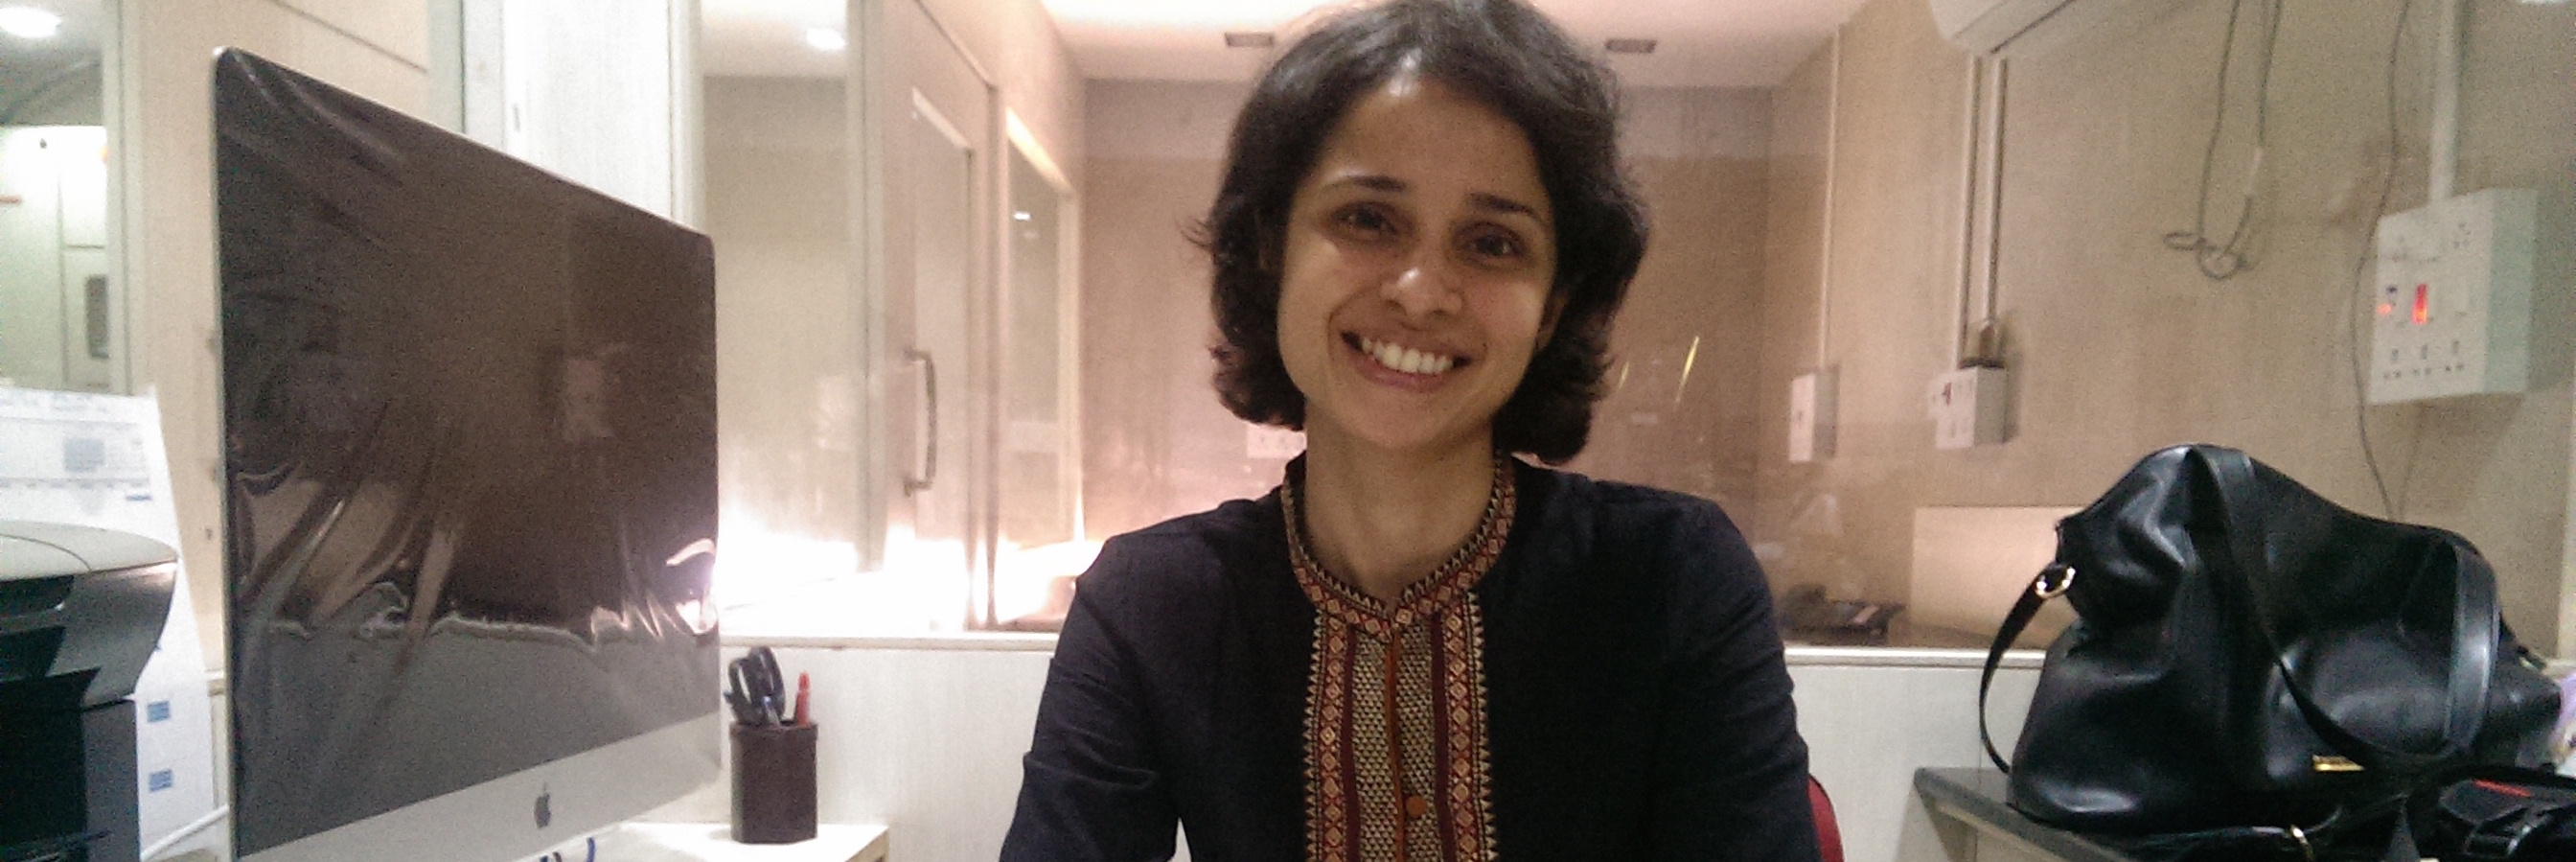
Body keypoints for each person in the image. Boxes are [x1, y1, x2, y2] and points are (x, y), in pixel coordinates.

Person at [1001, 1, 1817, 859]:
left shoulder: (1674, 580)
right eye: (1368, 219)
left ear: (1554, 305)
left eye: (1492, 242)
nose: (1422, 291)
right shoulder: (1150, 603)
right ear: (1272, 250)